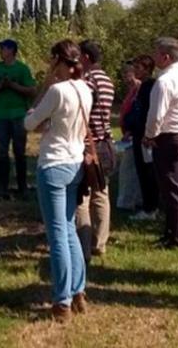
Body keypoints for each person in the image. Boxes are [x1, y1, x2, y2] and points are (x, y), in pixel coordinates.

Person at [24, 39, 92, 321]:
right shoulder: (85, 89)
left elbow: (29, 123)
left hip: (53, 163)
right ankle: (78, 291)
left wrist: (42, 92)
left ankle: (62, 301)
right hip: (76, 162)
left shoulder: (56, 91)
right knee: (69, 228)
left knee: (57, 234)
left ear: (57, 60)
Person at [143, 37, 178, 249]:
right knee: (176, 187)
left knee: (172, 190)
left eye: (156, 53)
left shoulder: (164, 81)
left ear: (166, 57)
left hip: (170, 137)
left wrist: (150, 135)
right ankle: (170, 231)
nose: (154, 57)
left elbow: (156, 114)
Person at [76, 40, 115, 259]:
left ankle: (83, 242)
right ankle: (100, 242)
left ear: (86, 57)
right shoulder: (107, 79)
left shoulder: (88, 81)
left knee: (82, 195)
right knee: (101, 192)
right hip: (104, 142)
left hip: (87, 144)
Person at [0, 39, 37, 198]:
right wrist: (1, 85)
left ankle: (22, 187)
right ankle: (3, 187)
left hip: (18, 115)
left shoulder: (22, 69)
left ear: (11, 51)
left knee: (20, 152)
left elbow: (32, 90)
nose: (0, 51)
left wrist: (14, 86)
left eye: (3, 48)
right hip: (1, 115)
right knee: (2, 153)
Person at [126, 55, 159, 220]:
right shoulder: (141, 86)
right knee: (142, 170)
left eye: (138, 68)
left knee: (148, 171)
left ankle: (150, 208)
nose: (135, 71)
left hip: (146, 135)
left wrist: (147, 133)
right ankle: (148, 204)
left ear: (147, 70)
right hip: (139, 132)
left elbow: (148, 111)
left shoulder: (150, 86)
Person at [116, 62, 143, 211]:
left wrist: (130, 130)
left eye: (129, 73)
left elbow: (137, 112)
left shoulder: (139, 88)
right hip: (128, 133)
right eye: (124, 73)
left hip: (133, 134)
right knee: (131, 168)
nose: (126, 77)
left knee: (128, 169)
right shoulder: (130, 90)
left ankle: (127, 202)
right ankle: (135, 199)